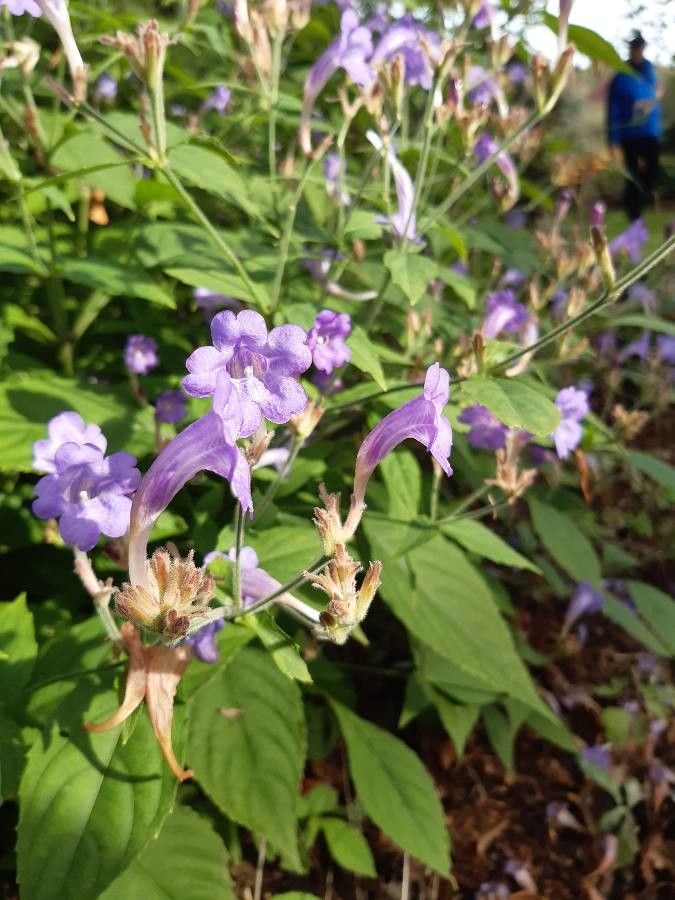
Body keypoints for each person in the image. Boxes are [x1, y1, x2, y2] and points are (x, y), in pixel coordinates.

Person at [608, 31, 662, 221]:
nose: (637, 50)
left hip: (649, 131)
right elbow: (612, 107)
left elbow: (656, 97)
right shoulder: (620, 75)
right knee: (631, 173)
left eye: (639, 47)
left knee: (652, 168)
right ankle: (633, 213)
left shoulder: (650, 71)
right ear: (630, 49)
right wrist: (612, 139)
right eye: (634, 47)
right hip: (628, 132)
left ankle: (633, 200)